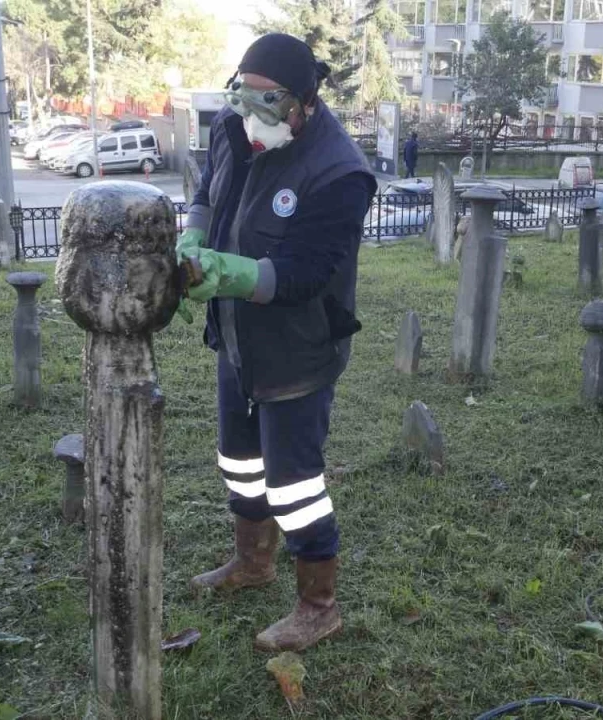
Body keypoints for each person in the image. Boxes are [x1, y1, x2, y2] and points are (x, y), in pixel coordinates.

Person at [175, 33, 376, 653]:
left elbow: (311, 273)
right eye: (243, 99)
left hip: (298, 345)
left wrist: (233, 275)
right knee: (238, 458)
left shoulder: (341, 172)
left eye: (267, 106)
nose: (250, 119)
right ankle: (253, 561)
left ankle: (319, 603)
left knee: (294, 483)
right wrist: (192, 238)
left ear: (303, 105)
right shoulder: (234, 127)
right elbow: (208, 193)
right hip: (237, 338)